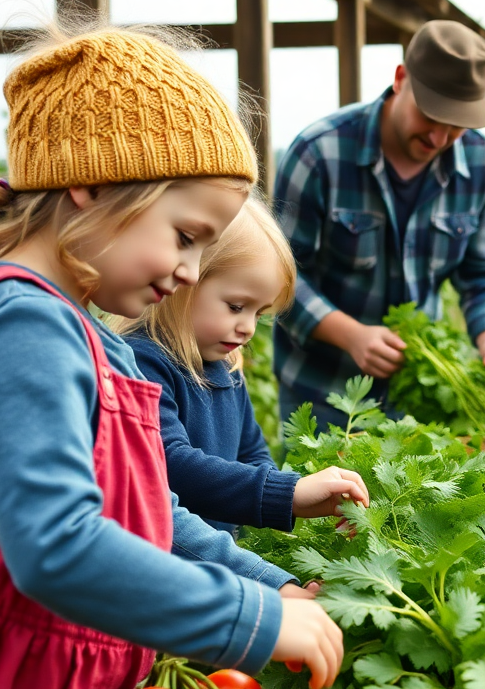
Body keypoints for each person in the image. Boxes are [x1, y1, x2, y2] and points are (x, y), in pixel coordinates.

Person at [0, 23, 368, 689]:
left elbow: (149, 511)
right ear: (90, 186)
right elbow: (57, 548)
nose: (188, 271)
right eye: (184, 237)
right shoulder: (19, 327)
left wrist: (276, 586)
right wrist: (245, 619)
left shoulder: (79, 329)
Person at [273, 19, 485, 428]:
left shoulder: (484, 165)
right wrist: (350, 334)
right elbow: (277, 276)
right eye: (431, 115)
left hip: (417, 398)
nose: (440, 137)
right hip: (322, 392)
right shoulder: (320, 153)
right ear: (401, 79)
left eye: (456, 125)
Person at [117, 195, 364, 535]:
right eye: (236, 307)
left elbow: (252, 450)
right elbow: (170, 464)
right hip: (176, 561)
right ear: (184, 281)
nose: (248, 327)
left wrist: (285, 505)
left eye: (259, 314)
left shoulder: (225, 364)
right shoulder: (143, 360)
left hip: (222, 558)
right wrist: (288, 493)